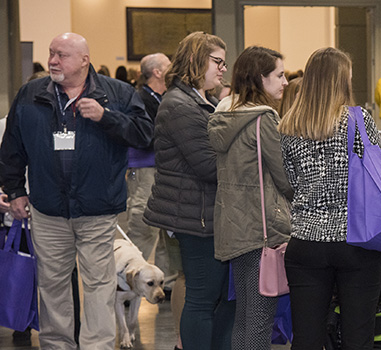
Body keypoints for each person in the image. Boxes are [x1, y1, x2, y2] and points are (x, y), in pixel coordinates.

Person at [0, 32, 153, 349]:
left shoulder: (117, 94)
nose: (53, 60)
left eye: (62, 55)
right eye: (51, 53)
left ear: (84, 60)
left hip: (98, 210)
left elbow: (144, 134)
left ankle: (97, 346)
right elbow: (11, 148)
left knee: (99, 284)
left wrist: (106, 117)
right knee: (52, 285)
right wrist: (15, 191)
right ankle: (58, 346)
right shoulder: (30, 95)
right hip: (47, 210)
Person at [279, 47, 381, 350]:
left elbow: (289, 181)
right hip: (356, 239)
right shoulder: (358, 119)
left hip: (305, 242)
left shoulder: (288, 125)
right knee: (357, 336)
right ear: (343, 79)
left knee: (306, 338)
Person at [143, 31, 235, 350]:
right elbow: (209, 166)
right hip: (193, 217)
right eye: (217, 62)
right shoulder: (181, 104)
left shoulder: (194, 100)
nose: (223, 69)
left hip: (200, 212)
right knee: (202, 299)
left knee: (218, 298)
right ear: (196, 60)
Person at [207, 45, 293, 349]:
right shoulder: (263, 119)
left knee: (244, 318)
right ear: (260, 78)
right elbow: (285, 177)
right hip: (262, 229)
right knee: (259, 321)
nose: (285, 82)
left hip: (234, 227)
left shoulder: (224, 116)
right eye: (279, 75)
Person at [127, 52, 172, 278]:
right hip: (145, 169)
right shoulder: (140, 99)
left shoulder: (165, 97)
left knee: (167, 231)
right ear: (157, 72)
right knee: (143, 227)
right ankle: (131, 279)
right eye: (168, 65)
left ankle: (163, 281)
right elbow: (145, 136)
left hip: (164, 169)